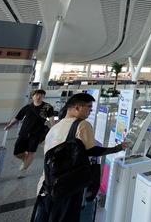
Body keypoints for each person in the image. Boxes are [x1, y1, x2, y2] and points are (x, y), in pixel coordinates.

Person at [33, 93, 128, 222]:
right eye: (89, 107)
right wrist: (117, 148)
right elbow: (92, 150)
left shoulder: (55, 127)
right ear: (77, 107)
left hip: (45, 186)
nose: (90, 111)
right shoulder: (81, 125)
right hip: (66, 187)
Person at [4, 89, 55, 178]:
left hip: (37, 134)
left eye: (41, 95)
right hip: (23, 133)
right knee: (17, 153)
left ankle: (23, 170)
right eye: (37, 95)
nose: (38, 97)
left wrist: (54, 128)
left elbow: (51, 118)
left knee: (31, 152)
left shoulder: (47, 107)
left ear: (43, 96)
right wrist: (10, 125)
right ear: (33, 96)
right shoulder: (27, 107)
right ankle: (25, 159)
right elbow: (18, 117)